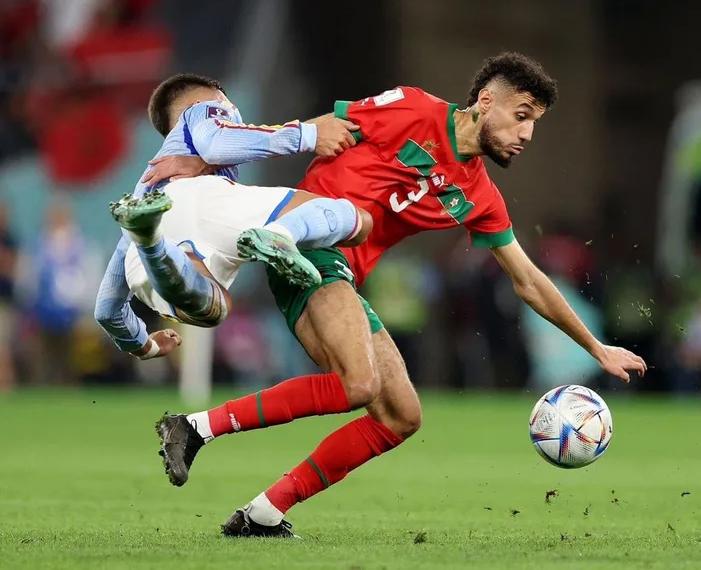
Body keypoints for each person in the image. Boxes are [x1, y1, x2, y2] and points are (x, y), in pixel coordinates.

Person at [149, 53, 647, 538]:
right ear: (486, 100)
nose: (526, 134)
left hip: (342, 271)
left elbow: (530, 280)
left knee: (400, 415)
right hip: (306, 243)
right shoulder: (412, 108)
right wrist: (207, 158)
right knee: (359, 384)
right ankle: (195, 428)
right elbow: (319, 130)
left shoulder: (479, 197)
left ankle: (263, 513)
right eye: (521, 116)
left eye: (534, 123)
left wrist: (596, 348)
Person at [94, 72, 372, 362]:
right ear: (213, 99)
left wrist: (144, 346)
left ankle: (152, 244)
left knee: (215, 308)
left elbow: (106, 310)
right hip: (207, 200)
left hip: (150, 239)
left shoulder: (144, 190)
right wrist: (309, 135)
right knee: (358, 219)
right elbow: (216, 144)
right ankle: (283, 233)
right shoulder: (201, 108)